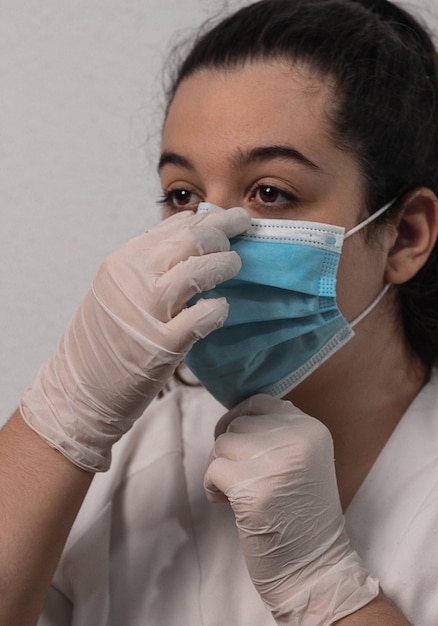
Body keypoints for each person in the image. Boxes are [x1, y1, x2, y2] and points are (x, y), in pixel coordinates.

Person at [1, 0, 438, 623]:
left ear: (405, 237)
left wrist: (325, 589)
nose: (211, 230)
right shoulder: (131, 460)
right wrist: (62, 419)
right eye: (183, 195)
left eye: (269, 191)